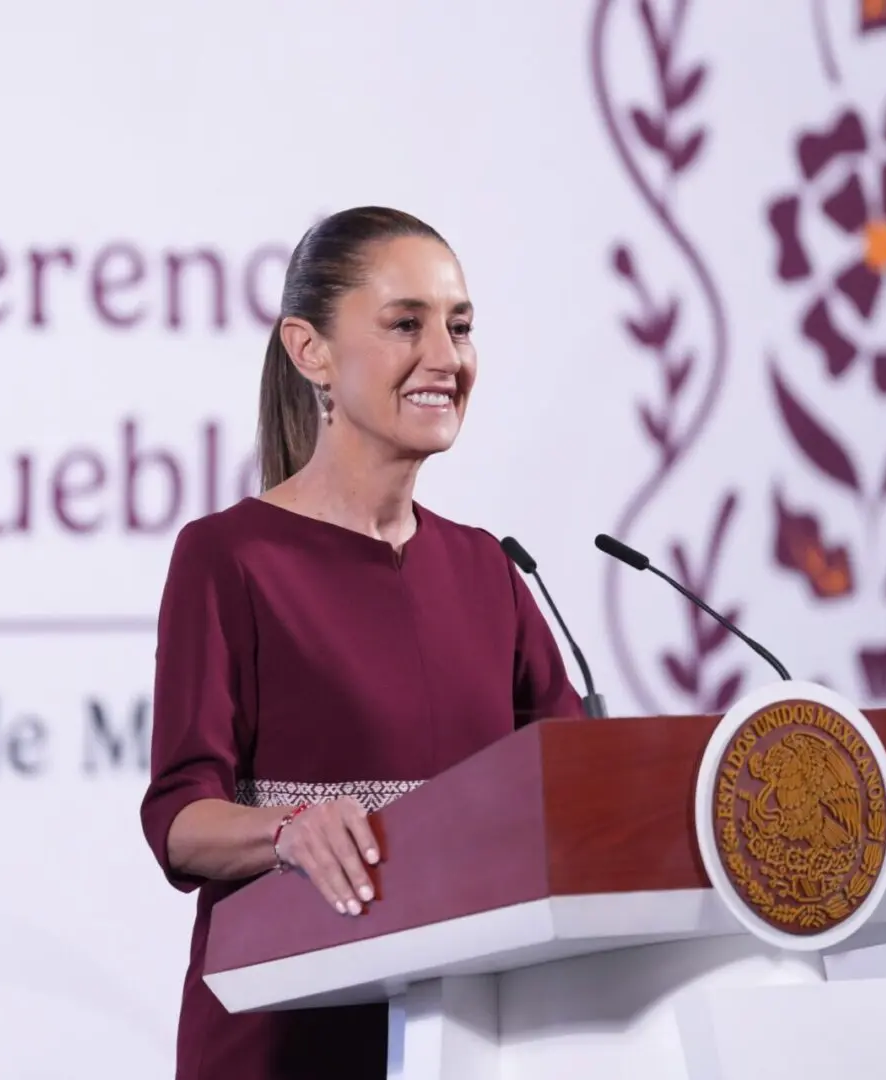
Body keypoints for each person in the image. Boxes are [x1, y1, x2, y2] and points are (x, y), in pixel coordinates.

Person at [138, 206, 586, 1079]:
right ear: (310, 351)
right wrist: (288, 833)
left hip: (470, 1037)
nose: (446, 357)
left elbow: (579, 786)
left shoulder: (488, 569)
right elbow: (179, 820)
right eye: (405, 325)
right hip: (285, 1039)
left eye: (460, 327)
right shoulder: (230, 556)